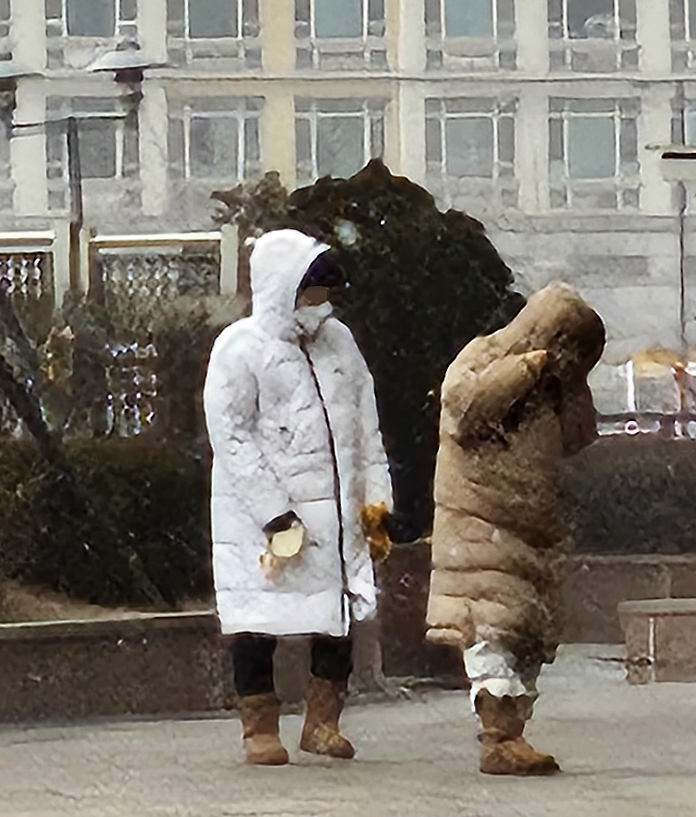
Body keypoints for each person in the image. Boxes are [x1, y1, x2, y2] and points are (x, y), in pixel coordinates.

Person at [203, 228, 393, 766]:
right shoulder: (240, 349)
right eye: (313, 292)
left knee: (338, 613)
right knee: (256, 618)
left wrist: (376, 505)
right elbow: (231, 436)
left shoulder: (341, 344)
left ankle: (322, 721)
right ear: (283, 288)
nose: (322, 305)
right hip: (263, 518)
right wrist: (272, 514)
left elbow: (365, 430)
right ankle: (259, 727)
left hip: (334, 513)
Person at [425, 282, 605, 776]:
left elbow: (577, 436)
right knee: (491, 631)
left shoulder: (553, 392)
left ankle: (514, 731)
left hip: (531, 530)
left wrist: (571, 386)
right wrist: (528, 366)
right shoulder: (486, 354)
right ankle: (497, 736)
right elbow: (466, 405)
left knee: (523, 635)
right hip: (480, 525)